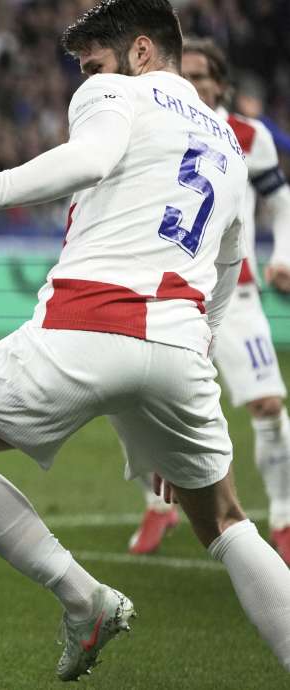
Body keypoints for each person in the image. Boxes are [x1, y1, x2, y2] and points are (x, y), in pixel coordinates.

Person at [0, 0, 290, 679]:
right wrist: (183, 381)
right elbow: (227, 274)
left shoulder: (118, 93)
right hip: (178, 347)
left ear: (141, 53)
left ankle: (84, 598)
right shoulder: (228, 143)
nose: (87, 78)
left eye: (95, 63)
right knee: (227, 521)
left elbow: (92, 154)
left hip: (84, 326)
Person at [128, 37, 290, 564]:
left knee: (268, 405)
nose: (193, 84)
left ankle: (284, 518)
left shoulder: (249, 135)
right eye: (185, 74)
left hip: (235, 292)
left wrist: (283, 254)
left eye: (202, 77)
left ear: (221, 83)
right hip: (169, 293)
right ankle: (158, 503)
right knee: (140, 401)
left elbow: (280, 201)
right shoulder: (156, 122)